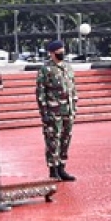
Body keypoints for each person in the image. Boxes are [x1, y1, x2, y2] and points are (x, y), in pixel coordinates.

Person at [36, 40, 78, 181]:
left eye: (63, 50)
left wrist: (74, 107)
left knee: (66, 139)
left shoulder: (68, 67)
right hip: (53, 111)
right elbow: (40, 92)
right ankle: (53, 169)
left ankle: (62, 167)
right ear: (52, 53)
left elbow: (73, 89)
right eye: (59, 51)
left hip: (68, 110)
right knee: (53, 140)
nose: (62, 53)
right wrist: (44, 112)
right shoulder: (45, 69)